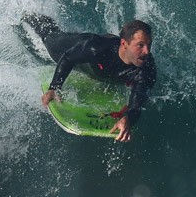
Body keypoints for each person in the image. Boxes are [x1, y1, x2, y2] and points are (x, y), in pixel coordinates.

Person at [21, 13, 156, 142]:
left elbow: (137, 104)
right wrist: (54, 88)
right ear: (124, 44)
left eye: (149, 44)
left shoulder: (146, 70)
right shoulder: (96, 49)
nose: (147, 51)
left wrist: (128, 119)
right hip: (79, 45)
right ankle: (27, 15)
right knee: (50, 38)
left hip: (97, 68)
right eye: (140, 45)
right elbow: (67, 58)